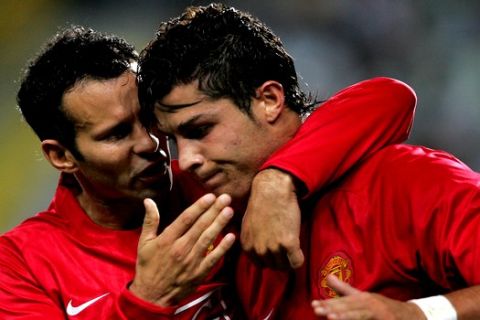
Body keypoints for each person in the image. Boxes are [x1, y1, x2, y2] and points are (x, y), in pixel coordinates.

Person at [0, 25, 414, 319]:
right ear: (61, 156)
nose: (149, 143)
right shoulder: (20, 264)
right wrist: (146, 299)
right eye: (116, 135)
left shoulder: (209, 186)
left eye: (149, 121)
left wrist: (277, 179)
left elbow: (389, 98)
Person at [137, 3, 480, 319]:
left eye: (200, 130)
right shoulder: (218, 215)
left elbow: (395, 95)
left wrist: (419, 314)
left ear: (270, 100)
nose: (189, 159)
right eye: (173, 140)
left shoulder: (405, 181)